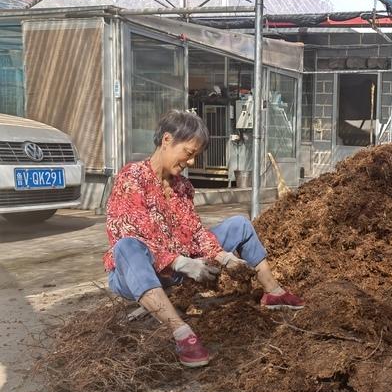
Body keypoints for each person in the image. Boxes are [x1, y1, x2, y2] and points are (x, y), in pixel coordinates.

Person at [104, 110, 304, 368]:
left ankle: (274, 292)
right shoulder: (132, 178)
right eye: (188, 153)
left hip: (178, 268)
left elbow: (196, 232)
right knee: (127, 246)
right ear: (167, 140)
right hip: (134, 272)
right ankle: (182, 334)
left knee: (239, 225)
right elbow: (131, 231)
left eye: (195, 156)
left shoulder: (182, 187)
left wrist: (221, 255)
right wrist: (180, 263)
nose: (190, 162)